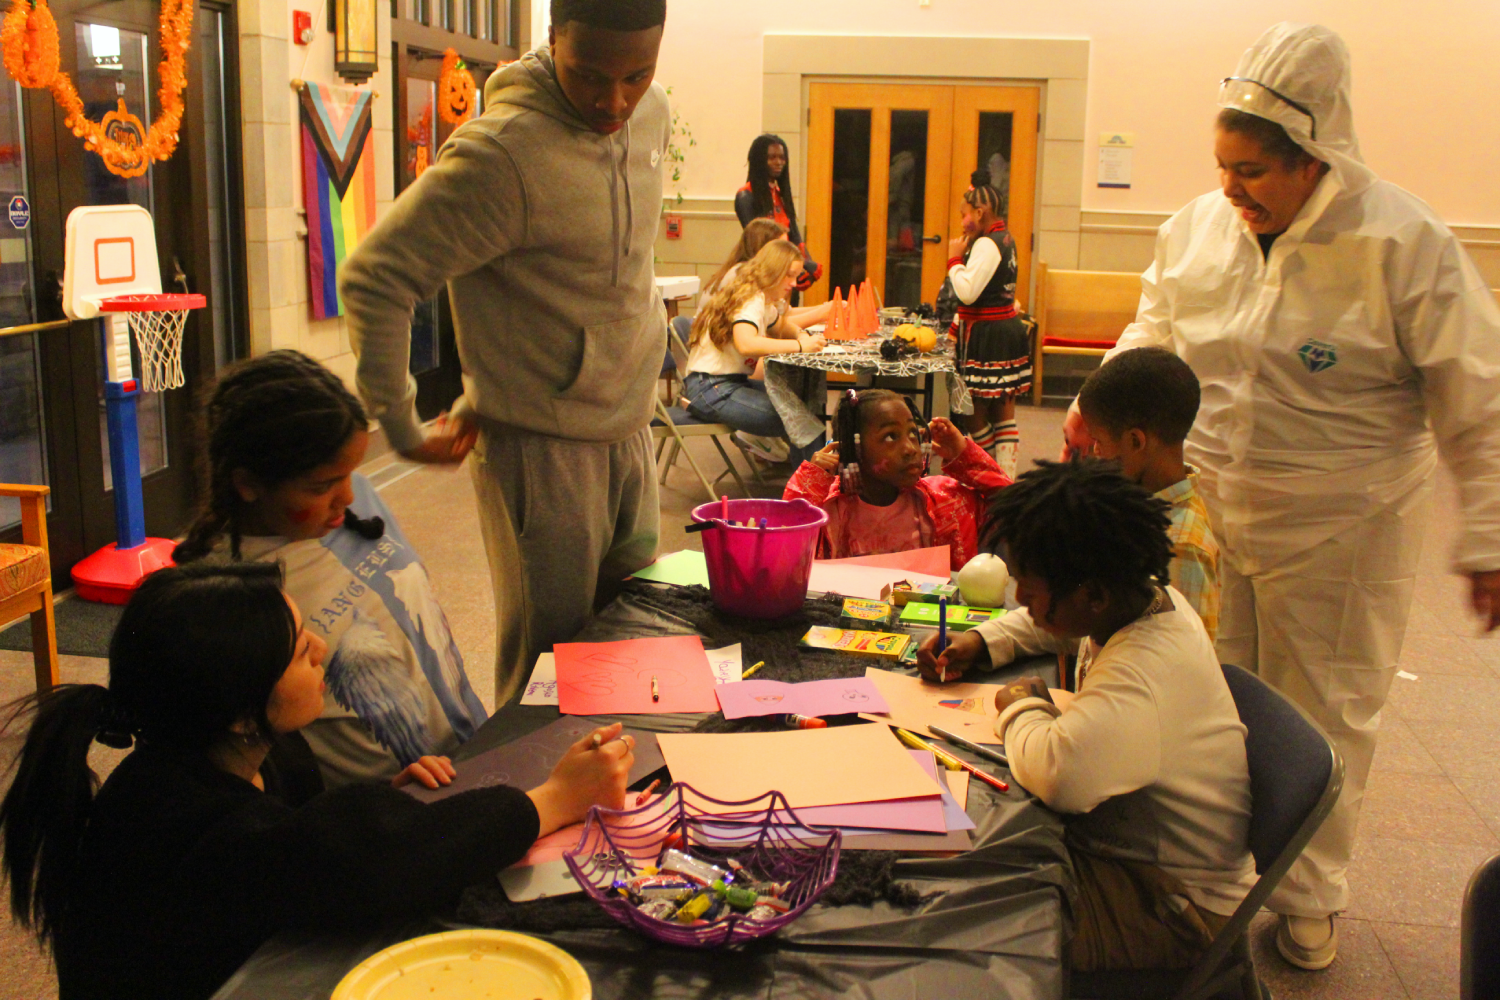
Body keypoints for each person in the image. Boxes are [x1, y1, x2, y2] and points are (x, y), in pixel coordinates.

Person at [1057, 23, 1500, 969]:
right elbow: (1154, 329)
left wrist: (1490, 538)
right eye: (1223, 166)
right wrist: (1101, 407)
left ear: (1315, 160)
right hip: (1210, 509)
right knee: (1205, 692)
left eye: (1253, 170)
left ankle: (1308, 894)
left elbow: (1478, 394)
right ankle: (1207, 874)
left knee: (1327, 704)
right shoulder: (1199, 230)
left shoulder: (1402, 243)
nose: (1232, 188)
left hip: (1346, 523)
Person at [0, 563, 634, 1000]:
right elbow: (366, 860)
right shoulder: (203, 833)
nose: (323, 650)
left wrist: (389, 802)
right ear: (243, 713)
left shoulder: (226, 755)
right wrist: (555, 799)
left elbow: (328, 844)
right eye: (301, 649)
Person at [339, 0, 672, 707]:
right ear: (552, 41)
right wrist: (398, 424)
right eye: (589, 75)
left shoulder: (654, 114)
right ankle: (529, 812)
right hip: (541, 448)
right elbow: (376, 275)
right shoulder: (502, 153)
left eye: (637, 75)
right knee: (549, 672)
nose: (613, 100)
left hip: (630, 425)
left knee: (630, 642)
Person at [916, 460, 1254, 971]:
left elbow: (1060, 774)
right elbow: (1056, 626)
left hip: (1177, 903)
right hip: (1139, 857)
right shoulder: (1144, 599)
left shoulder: (1142, 671)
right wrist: (983, 639)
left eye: (1030, 588)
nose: (1020, 600)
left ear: (1092, 593)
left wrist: (1022, 706)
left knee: (971, 920)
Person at [173, 350, 488, 788]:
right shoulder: (231, 592)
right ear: (248, 485)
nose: (346, 496)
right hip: (386, 813)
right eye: (321, 486)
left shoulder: (353, 500)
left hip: (471, 756)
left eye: (351, 473)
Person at [1077, 347, 1220, 640]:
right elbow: (1078, 615)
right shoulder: (1132, 505)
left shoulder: (1180, 548)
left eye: (1099, 440)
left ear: (1134, 441)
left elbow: (1181, 667)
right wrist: (985, 640)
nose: (1095, 452)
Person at [783, 388, 1011, 571]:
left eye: (913, 433)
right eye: (891, 436)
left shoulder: (946, 500)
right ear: (854, 448)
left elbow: (1015, 506)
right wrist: (809, 484)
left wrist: (963, 454)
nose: (910, 448)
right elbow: (784, 557)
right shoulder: (828, 511)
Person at [682, 240, 827, 465]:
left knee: (799, 406)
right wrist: (800, 346)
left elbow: (781, 324)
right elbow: (746, 344)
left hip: (722, 383)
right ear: (773, 271)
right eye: (789, 275)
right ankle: (813, 489)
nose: (794, 283)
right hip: (711, 388)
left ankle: (807, 484)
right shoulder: (750, 300)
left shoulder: (762, 300)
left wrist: (801, 335)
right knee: (799, 419)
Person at [946, 168, 1029, 479]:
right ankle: (1003, 480)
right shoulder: (1006, 238)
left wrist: (954, 259)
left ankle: (993, 477)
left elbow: (967, 294)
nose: (962, 221)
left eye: (965, 214)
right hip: (1005, 330)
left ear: (980, 212)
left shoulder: (986, 244)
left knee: (976, 414)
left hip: (989, 336)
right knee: (1004, 413)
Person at [734, 133, 821, 297]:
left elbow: (794, 234)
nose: (778, 162)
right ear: (760, 160)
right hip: (763, 277)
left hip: (786, 274)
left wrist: (806, 262)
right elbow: (756, 242)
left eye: (782, 157)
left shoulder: (780, 194)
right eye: (772, 157)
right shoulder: (746, 196)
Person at [703, 217, 831, 326]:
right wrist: (822, 313)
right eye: (781, 247)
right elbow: (763, 331)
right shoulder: (741, 277)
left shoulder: (761, 278)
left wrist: (827, 308)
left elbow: (783, 313)